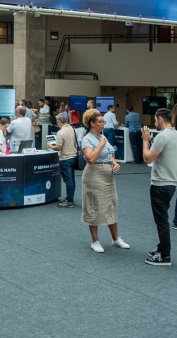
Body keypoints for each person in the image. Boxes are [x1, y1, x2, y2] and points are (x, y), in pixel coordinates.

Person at [80, 108, 128, 252]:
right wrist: (100, 145)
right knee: (94, 206)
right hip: (94, 175)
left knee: (111, 205)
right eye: (100, 122)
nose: (103, 124)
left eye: (103, 121)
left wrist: (115, 164)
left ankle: (115, 238)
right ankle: (95, 241)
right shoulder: (87, 139)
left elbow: (110, 155)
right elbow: (91, 159)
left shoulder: (104, 137)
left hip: (107, 176)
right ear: (92, 123)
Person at [142, 108, 177, 266]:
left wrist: (146, 140)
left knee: (161, 221)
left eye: (155, 120)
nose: (154, 123)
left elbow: (147, 159)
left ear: (160, 119)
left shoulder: (162, 137)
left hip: (160, 183)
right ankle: (161, 248)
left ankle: (165, 255)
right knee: (163, 218)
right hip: (172, 183)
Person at [47, 112, 77, 208]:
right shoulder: (73, 129)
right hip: (73, 156)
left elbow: (58, 148)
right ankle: (70, 198)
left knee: (68, 180)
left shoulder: (60, 133)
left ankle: (70, 200)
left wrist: (50, 146)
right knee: (71, 179)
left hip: (65, 158)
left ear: (59, 121)